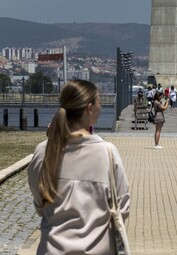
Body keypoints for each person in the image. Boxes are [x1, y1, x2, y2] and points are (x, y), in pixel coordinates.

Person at [27, 79, 130, 254]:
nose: (101, 107)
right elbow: (123, 207)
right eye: (99, 102)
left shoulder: (43, 151)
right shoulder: (107, 153)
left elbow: (39, 203)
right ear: (89, 108)